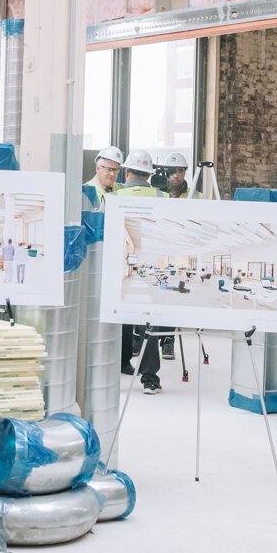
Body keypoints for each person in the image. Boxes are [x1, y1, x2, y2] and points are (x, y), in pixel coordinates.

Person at [111, 151, 169, 393]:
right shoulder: (163, 197)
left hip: (118, 263)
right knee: (150, 320)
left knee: (119, 316)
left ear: (126, 172)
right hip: (154, 263)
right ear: (150, 175)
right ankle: (149, 378)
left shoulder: (113, 196)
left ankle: (120, 363)